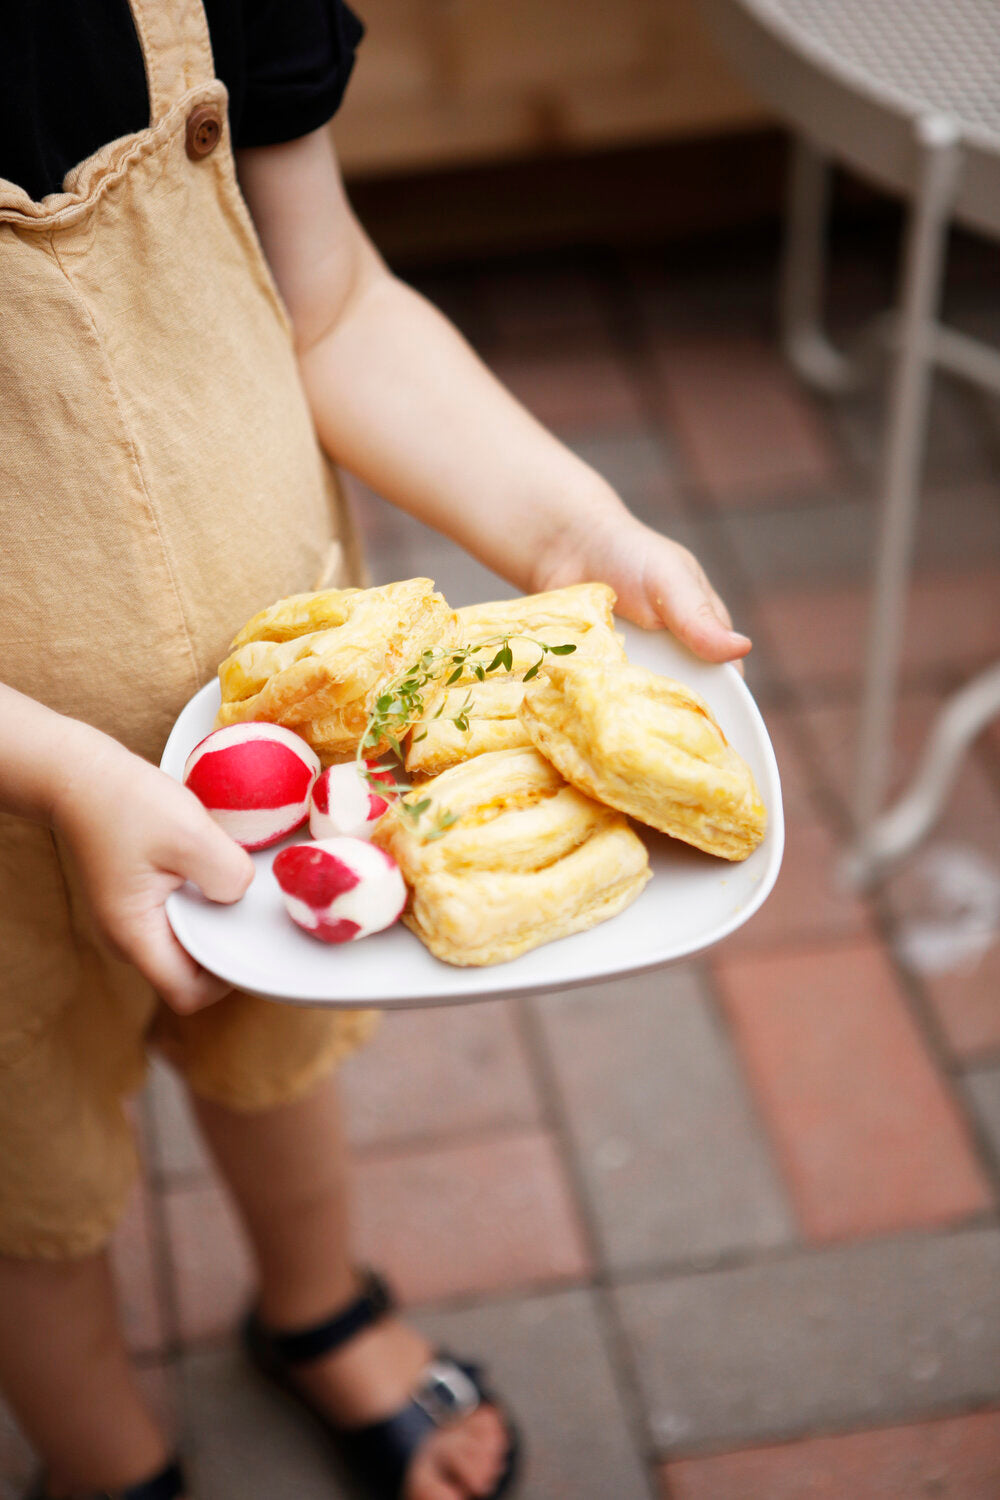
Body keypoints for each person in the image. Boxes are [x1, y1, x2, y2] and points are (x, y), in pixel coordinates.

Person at [0, 4, 752, 1499]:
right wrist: (65, 771)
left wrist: (570, 529)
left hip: (274, 762)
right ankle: (106, 1462)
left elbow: (332, 303)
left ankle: (315, 1302)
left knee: (275, 1047)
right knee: (27, 1178)